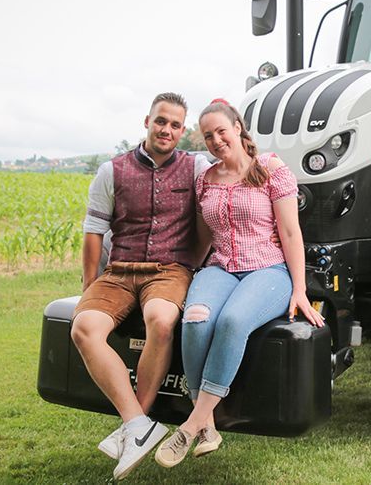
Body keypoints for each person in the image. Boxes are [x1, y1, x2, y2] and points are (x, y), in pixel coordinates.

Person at [153, 100, 325, 468]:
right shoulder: (206, 179)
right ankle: (208, 424)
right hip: (219, 268)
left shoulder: (271, 170)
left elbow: (291, 233)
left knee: (232, 321)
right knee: (197, 318)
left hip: (268, 269)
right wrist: (178, 271)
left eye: (221, 131)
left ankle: (191, 423)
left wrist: (299, 289)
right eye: (208, 136)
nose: (216, 140)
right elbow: (202, 239)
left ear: (238, 128)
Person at [71, 92, 211, 480]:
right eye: (160, 121)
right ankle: (138, 423)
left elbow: (219, 204)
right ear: (146, 121)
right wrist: (89, 286)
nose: (167, 129)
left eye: (175, 124)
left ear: (184, 130)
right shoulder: (111, 171)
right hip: (118, 271)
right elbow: (94, 231)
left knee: (161, 320)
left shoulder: (197, 167)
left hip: (169, 270)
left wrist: (193, 264)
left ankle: (135, 426)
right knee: (84, 328)